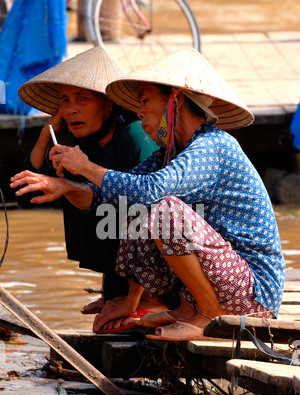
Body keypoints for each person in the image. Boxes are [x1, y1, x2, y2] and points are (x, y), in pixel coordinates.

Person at [11, 47, 286, 340]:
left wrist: (85, 166)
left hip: (253, 295)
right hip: (226, 282)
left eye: (144, 101)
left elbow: (149, 191)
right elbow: (115, 195)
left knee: (163, 209)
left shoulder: (214, 146)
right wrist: (65, 186)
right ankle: (184, 308)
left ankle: (208, 314)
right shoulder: (166, 155)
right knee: (132, 208)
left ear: (175, 101)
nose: (139, 112)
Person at [14, 46, 159, 314]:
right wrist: (49, 130)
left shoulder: (135, 135)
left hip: (158, 262)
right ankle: (113, 291)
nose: (71, 109)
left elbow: (147, 210)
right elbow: (26, 190)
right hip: (121, 261)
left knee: (123, 207)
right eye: (65, 100)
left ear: (109, 102)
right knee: (87, 198)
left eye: (82, 99)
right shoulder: (80, 142)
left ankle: (146, 298)